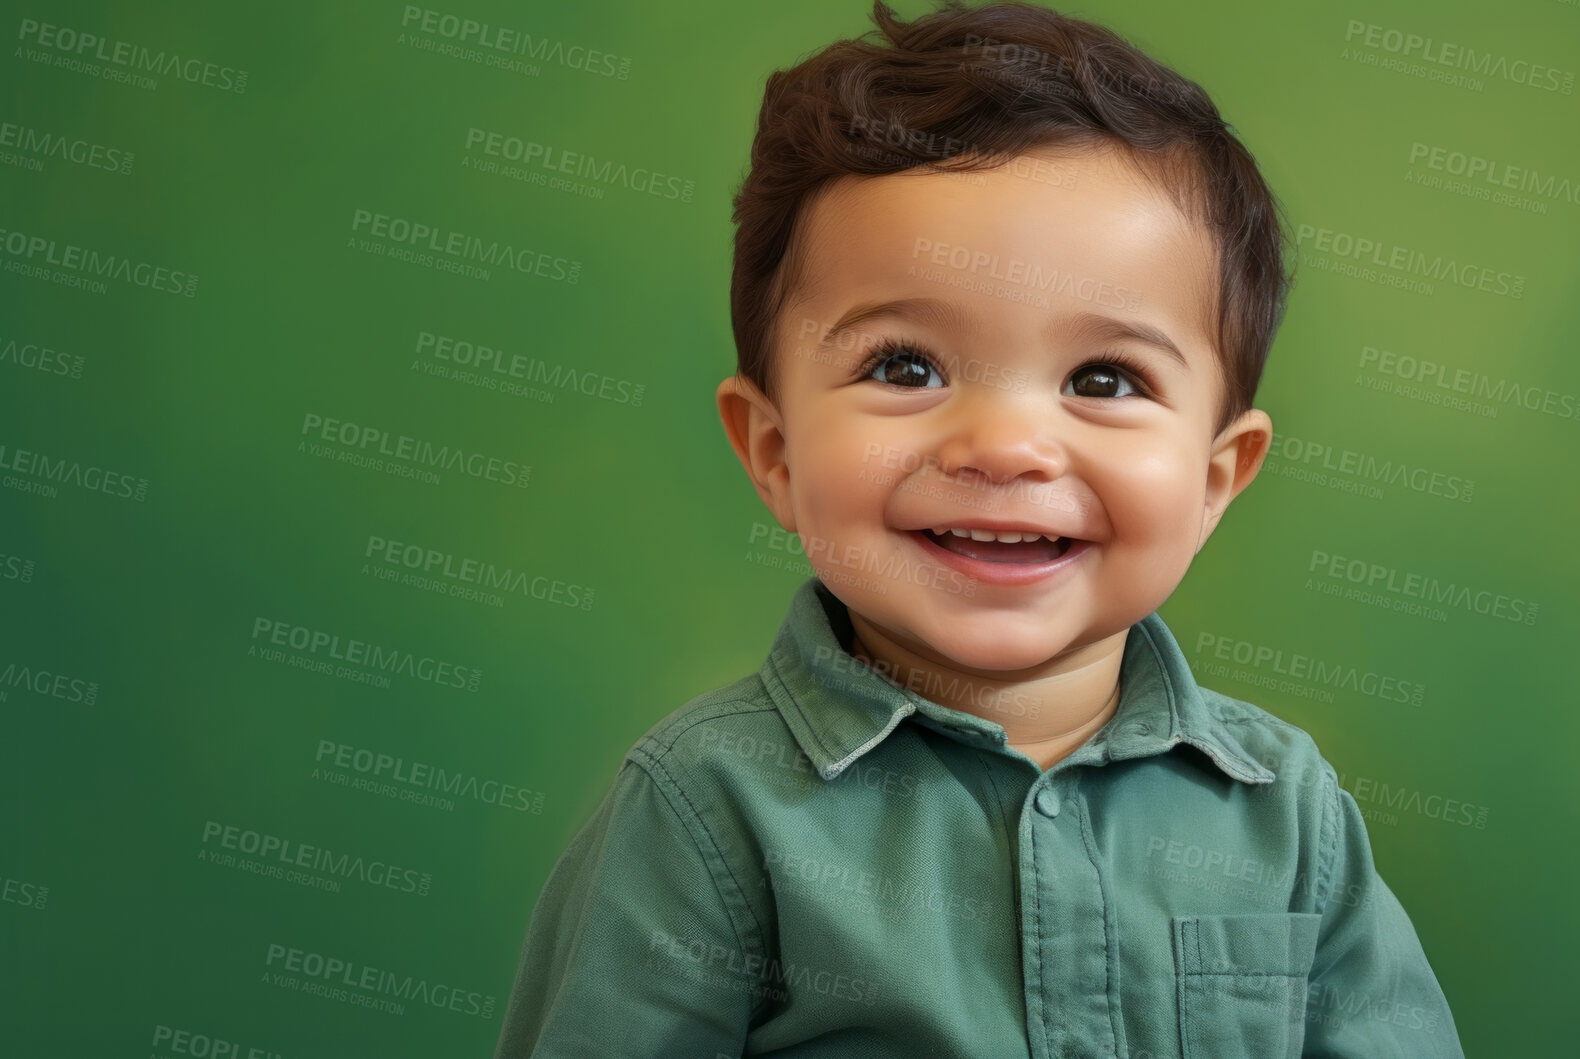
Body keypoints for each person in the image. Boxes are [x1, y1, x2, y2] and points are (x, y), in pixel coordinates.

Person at [493, 2, 1464, 1055]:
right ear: (773, 453)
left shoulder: (1287, 818)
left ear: (1214, 479)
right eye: (903, 367)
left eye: (1104, 378)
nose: (1002, 446)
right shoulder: (704, 812)